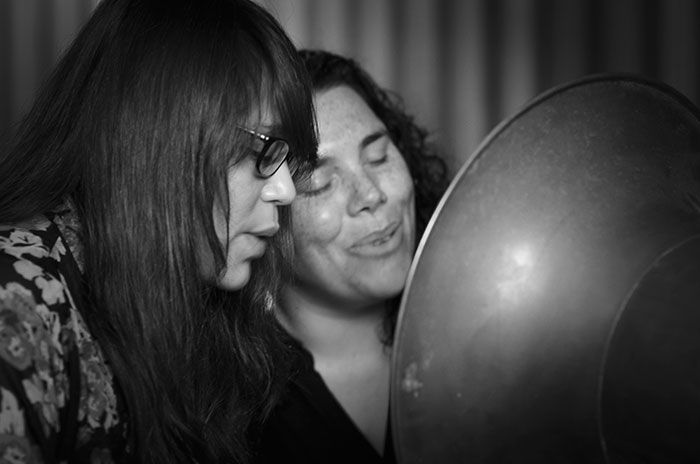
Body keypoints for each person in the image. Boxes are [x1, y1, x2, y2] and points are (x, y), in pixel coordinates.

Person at [0, 0, 317, 462]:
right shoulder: (18, 302)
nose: (286, 191)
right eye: (260, 152)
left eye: (289, 160)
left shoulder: (201, 305)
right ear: (157, 138)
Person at [255, 50, 449, 463]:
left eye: (379, 157)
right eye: (321, 182)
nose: (371, 195)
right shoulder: (230, 404)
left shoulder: (478, 332)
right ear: (267, 208)